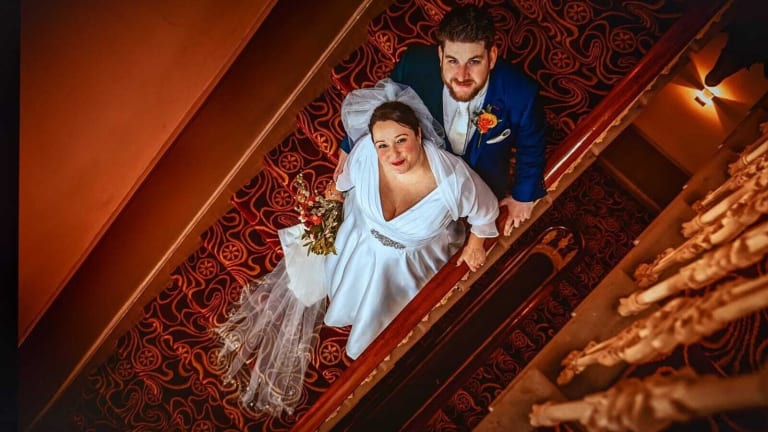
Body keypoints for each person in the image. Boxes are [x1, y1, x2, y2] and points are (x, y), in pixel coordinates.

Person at [216, 79, 499, 415]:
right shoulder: (364, 152)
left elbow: (486, 211)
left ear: (418, 135)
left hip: (408, 266)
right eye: (383, 145)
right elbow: (345, 179)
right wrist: (335, 195)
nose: (393, 154)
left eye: (401, 140)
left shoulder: (455, 180)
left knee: (391, 323)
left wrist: (476, 243)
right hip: (361, 244)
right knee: (345, 283)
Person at [335, 4, 547, 236]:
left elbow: (532, 146)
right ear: (440, 55)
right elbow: (385, 102)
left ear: (492, 57)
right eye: (453, 61)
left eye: (474, 61)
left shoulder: (521, 93)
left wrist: (523, 196)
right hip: (420, 168)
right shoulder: (415, 65)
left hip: (482, 184)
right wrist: (349, 145)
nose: (462, 75)